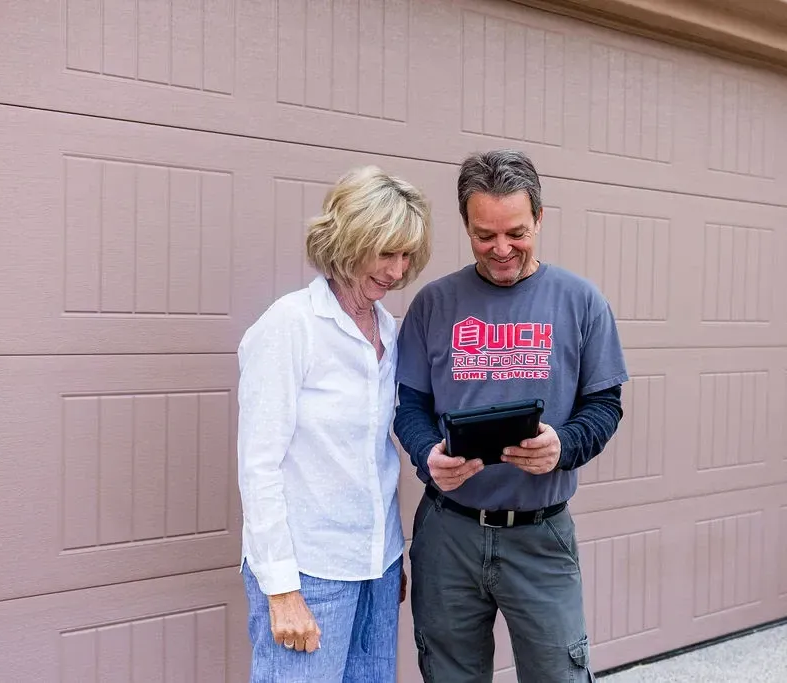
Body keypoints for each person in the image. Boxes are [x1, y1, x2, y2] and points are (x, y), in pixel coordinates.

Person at [393, 149, 629, 682]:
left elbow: (605, 405)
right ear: (466, 226)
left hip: (540, 535)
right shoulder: (433, 304)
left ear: (539, 218)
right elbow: (410, 406)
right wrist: (428, 454)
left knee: (558, 674)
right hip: (448, 533)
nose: (501, 249)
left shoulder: (581, 302)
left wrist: (564, 446)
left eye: (516, 233)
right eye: (485, 235)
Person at [236, 165, 432, 682]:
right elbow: (259, 465)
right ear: (349, 241)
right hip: (308, 571)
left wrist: (388, 557)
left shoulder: (388, 330)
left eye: (406, 256)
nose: (397, 271)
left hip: (376, 567)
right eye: (385, 253)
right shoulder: (290, 326)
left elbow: (373, 457)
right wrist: (281, 589)